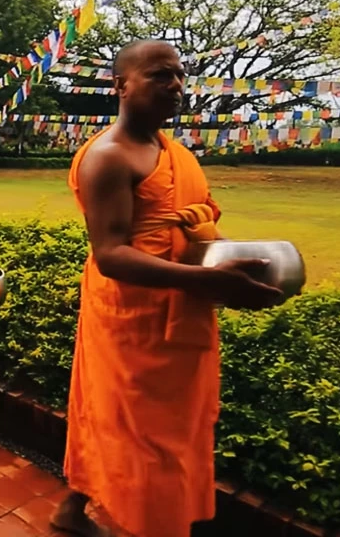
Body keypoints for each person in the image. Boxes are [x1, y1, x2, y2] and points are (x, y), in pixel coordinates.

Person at [51, 40, 284, 537]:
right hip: (131, 321)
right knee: (141, 436)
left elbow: (191, 229)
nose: (176, 85)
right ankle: (141, 522)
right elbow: (110, 254)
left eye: (179, 75)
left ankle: (71, 510)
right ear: (121, 85)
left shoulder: (171, 151)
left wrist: (231, 267)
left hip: (181, 309)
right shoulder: (109, 158)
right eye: (160, 75)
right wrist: (208, 280)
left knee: (152, 426)